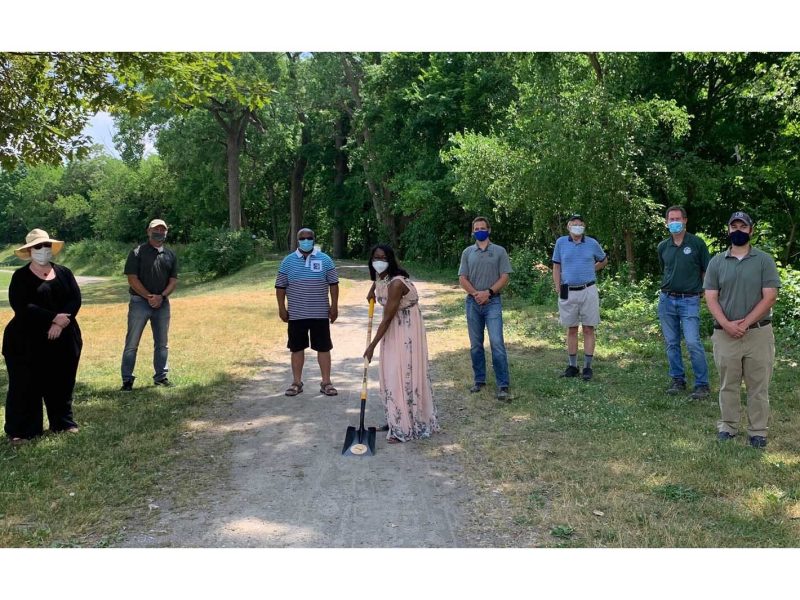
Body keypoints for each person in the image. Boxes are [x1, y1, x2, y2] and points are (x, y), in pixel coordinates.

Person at [704, 211, 780, 449]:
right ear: (728, 230)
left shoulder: (764, 260)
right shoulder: (716, 262)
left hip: (758, 333)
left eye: (743, 226)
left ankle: (758, 431)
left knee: (758, 385)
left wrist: (745, 323)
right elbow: (710, 297)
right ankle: (728, 426)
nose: (738, 230)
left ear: (751, 230)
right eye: (734, 226)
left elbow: (770, 297)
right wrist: (726, 324)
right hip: (725, 334)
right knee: (728, 383)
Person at [3, 229, 82, 445]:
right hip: (26, 341)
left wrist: (62, 321)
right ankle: (21, 430)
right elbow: (22, 306)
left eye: (46, 245)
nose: (43, 250)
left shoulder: (65, 272)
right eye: (38, 246)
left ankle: (63, 423)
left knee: (62, 381)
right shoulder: (20, 277)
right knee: (25, 385)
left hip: (64, 337)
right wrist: (53, 319)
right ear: (29, 251)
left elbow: (74, 299)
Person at [364, 244, 439, 443]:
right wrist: (372, 291)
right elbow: (378, 285)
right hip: (393, 331)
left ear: (390, 260)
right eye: (375, 258)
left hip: (405, 331)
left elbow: (387, 317)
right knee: (390, 373)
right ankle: (394, 418)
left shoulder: (397, 283)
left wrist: (371, 346)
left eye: (383, 258)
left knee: (402, 374)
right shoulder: (382, 277)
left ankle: (404, 427)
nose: (379, 262)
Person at [275, 228, 339, 397]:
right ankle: (296, 382)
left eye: (309, 238)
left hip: (319, 313)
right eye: (302, 238)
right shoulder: (288, 261)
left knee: (324, 348)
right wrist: (281, 308)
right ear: (297, 240)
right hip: (296, 314)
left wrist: (334, 306)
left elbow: (334, 284)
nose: (306, 240)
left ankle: (326, 382)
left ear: (313, 239)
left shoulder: (325, 259)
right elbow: (280, 287)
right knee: (297, 348)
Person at [657, 205, 712, 399]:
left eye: (677, 219)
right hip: (666, 300)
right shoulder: (663, 246)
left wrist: (705, 292)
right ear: (666, 222)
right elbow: (665, 269)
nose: (674, 222)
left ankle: (702, 384)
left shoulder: (697, 243)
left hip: (689, 300)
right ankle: (677, 379)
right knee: (672, 343)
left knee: (692, 342)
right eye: (671, 219)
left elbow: (708, 270)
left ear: (685, 220)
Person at [458, 216, 513, 401]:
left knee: (497, 343)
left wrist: (488, 292)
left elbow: (505, 276)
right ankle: (479, 380)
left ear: (489, 230)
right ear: (473, 231)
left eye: (483, 227)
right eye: (476, 228)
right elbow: (462, 278)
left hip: (493, 302)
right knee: (475, 345)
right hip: (473, 303)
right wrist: (476, 294)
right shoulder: (467, 252)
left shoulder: (499, 251)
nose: (479, 230)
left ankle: (503, 384)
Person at [120, 218, 178, 390]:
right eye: (156, 229)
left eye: (162, 230)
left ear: (166, 232)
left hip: (163, 304)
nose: (159, 232)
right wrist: (149, 296)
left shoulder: (170, 255)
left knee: (162, 343)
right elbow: (132, 278)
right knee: (132, 343)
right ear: (148, 231)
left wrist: (161, 296)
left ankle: (161, 377)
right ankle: (127, 380)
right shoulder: (137, 252)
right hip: (139, 302)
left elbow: (173, 280)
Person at [552, 214, 608, 381]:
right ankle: (572, 366)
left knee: (589, 328)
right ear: (568, 226)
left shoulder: (592, 243)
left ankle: (588, 367)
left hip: (588, 289)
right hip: (566, 289)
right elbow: (556, 266)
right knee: (571, 328)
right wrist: (557, 287)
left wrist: (591, 268)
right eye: (574, 223)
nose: (577, 226)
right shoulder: (561, 242)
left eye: (580, 224)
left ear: (584, 226)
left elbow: (604, 260)